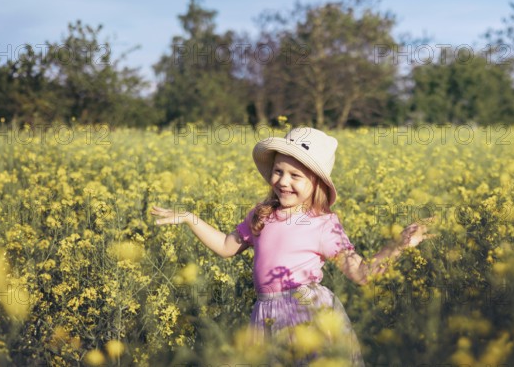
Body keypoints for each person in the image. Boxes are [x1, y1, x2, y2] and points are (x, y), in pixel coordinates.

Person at [151, 127, 435, 366]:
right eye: (278, 171)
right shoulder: (260, 215)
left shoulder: (323, 224)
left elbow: (361, 273)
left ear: (316, 183)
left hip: (309, 314)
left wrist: (399, 245)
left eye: (295, 176)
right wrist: (191, 219)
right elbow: (226, 247)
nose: (283, 182)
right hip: (266, 315)